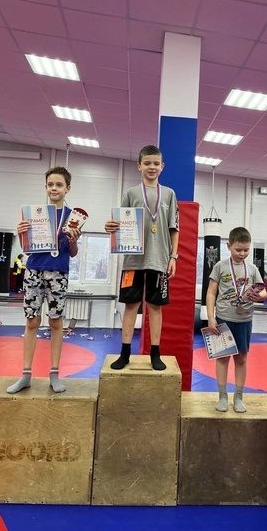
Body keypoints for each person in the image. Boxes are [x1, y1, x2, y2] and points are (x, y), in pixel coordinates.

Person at [104, 145, 179, 371]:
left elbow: (174, 228)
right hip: (133, 260)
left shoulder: (169, 194)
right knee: (130, 306)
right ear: (139, 166)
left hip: (160, 259)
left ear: (162, 166)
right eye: (147, 163)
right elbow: (119, 222)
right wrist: (110, 227)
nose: (151, 167)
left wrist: (173, 257)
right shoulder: (131, 193)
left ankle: (155, 352)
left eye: (156, 163)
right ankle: (125, 352)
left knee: (155, 307)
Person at [7, 167, 80, 394]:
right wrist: (21, 233)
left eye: (59, 185)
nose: (54, 188)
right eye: (50, 184)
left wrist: (74, 240)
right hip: (34, 271)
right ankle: (26, 374)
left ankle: (54, 374)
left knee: (56, 322)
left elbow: (73, 252)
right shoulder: (34, 214)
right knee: (31, 321)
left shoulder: (73, 217)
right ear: (45, 187)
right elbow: (26, 249)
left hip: (58, 272)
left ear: (67, 188)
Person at [206, 227, 267, 412]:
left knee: (241, 359)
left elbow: (263, 291)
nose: (242, 253)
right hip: (223, 319)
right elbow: (211, 292)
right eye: (238, 249)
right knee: (222, 359)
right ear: (229, 246)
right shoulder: (220, 266)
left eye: (246, 250)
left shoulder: (252, 269)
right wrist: (210, 317)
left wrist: (260, 296)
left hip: (244, 320)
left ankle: (238, 397)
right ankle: (222, 396)